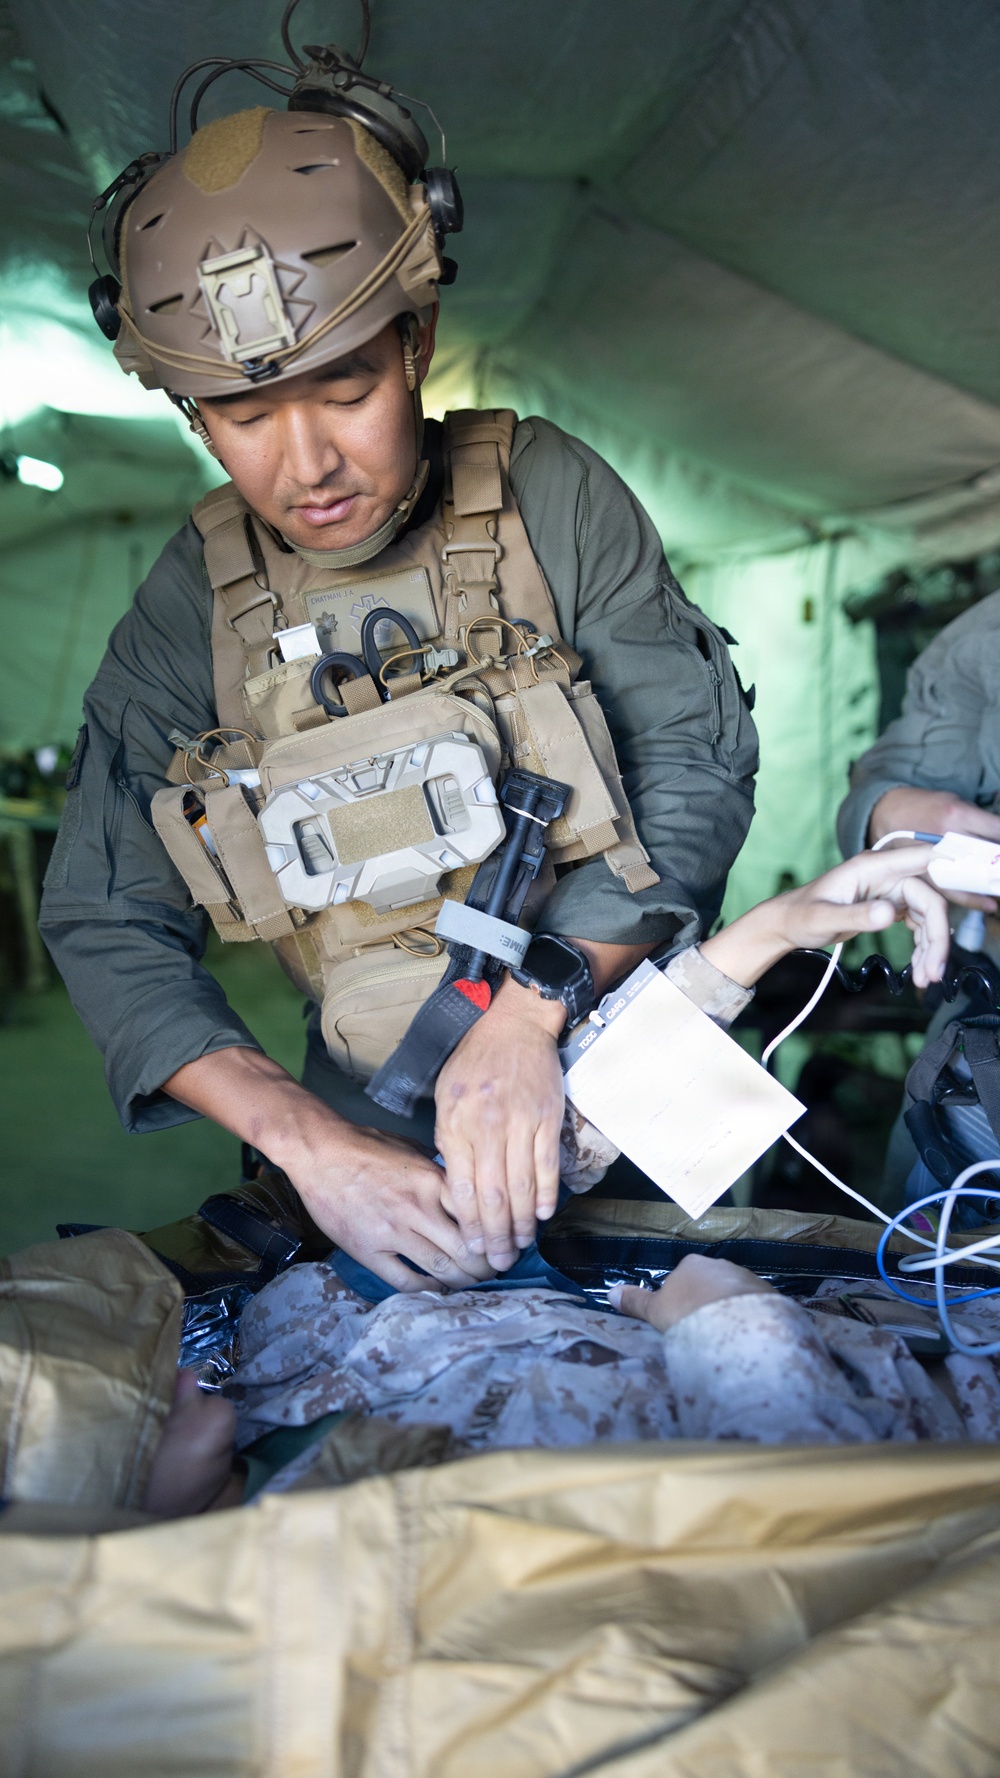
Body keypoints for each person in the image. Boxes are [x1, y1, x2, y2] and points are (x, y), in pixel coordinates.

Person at [39, 38, 758, 1296]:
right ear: (188, 411)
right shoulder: (190, 600)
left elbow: (693, 765)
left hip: (625, 1058)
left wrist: (532, 1017)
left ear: (417, 340)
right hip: (370, 1102)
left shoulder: (547, 494)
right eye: (246, 418)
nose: (305, 462)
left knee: (709, 1360)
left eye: (346, 388)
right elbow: (106, 911)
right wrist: (305, 1140)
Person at [838, 590, 1000, 1206]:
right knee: (924, 1266)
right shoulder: (984, 642)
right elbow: (875, 795)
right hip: (991, 1038)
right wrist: (893, 814)